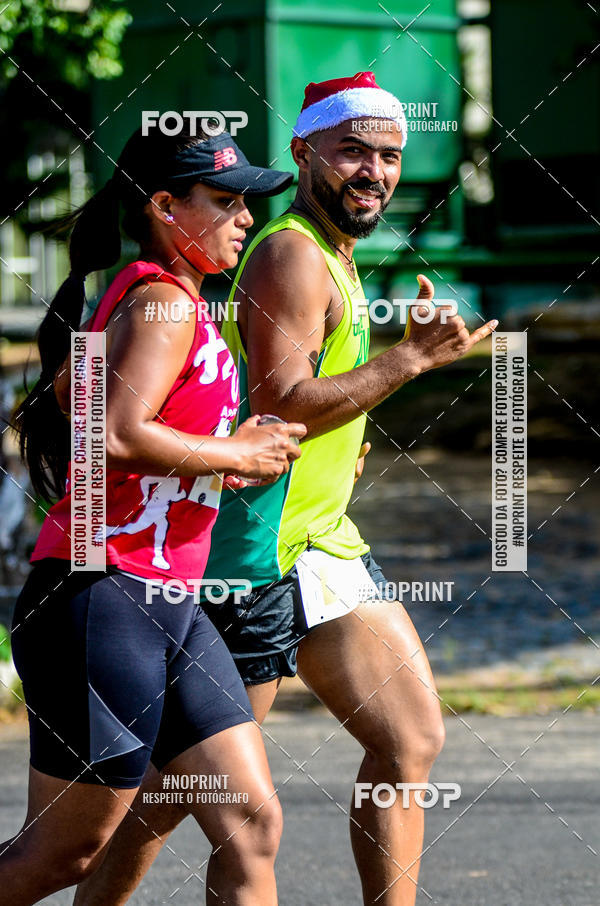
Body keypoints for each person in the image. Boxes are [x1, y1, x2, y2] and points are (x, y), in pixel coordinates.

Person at [74, 72, 498, 906]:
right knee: (182, 801)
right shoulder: (291, 253)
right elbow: (279, 398)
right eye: (352, 151)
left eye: (389, 154)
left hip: (324, 542)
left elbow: (309, 402)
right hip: (253, 554)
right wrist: (405, 363)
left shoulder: (334, 257)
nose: (374, 170)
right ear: (305, 153)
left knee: (409, 740)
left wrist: (358, 430)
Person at [2, 123, 306, 906]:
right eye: (226, 201)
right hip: (101, 596)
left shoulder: (170, 304)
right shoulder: (163, 301)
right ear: (165, 207)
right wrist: (236, 456)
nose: (247, 218)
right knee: (62, 855)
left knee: (250, 822)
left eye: (249, 203)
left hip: (168, 602)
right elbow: (113, 434)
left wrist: (222, 460)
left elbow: (104, 419)